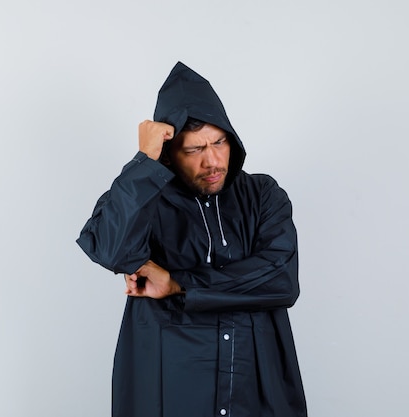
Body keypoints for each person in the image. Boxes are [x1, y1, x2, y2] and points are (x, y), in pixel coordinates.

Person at [76, 61, 307, 417]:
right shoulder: (148, 198)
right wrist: (144, 162)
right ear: (169, 154)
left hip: (257, 388)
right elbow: (111, 249)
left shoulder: (263, 195)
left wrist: (180, 284)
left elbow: (280, 281)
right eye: (194, 150)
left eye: (219, 142)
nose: (213, 161)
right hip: (172, 391)